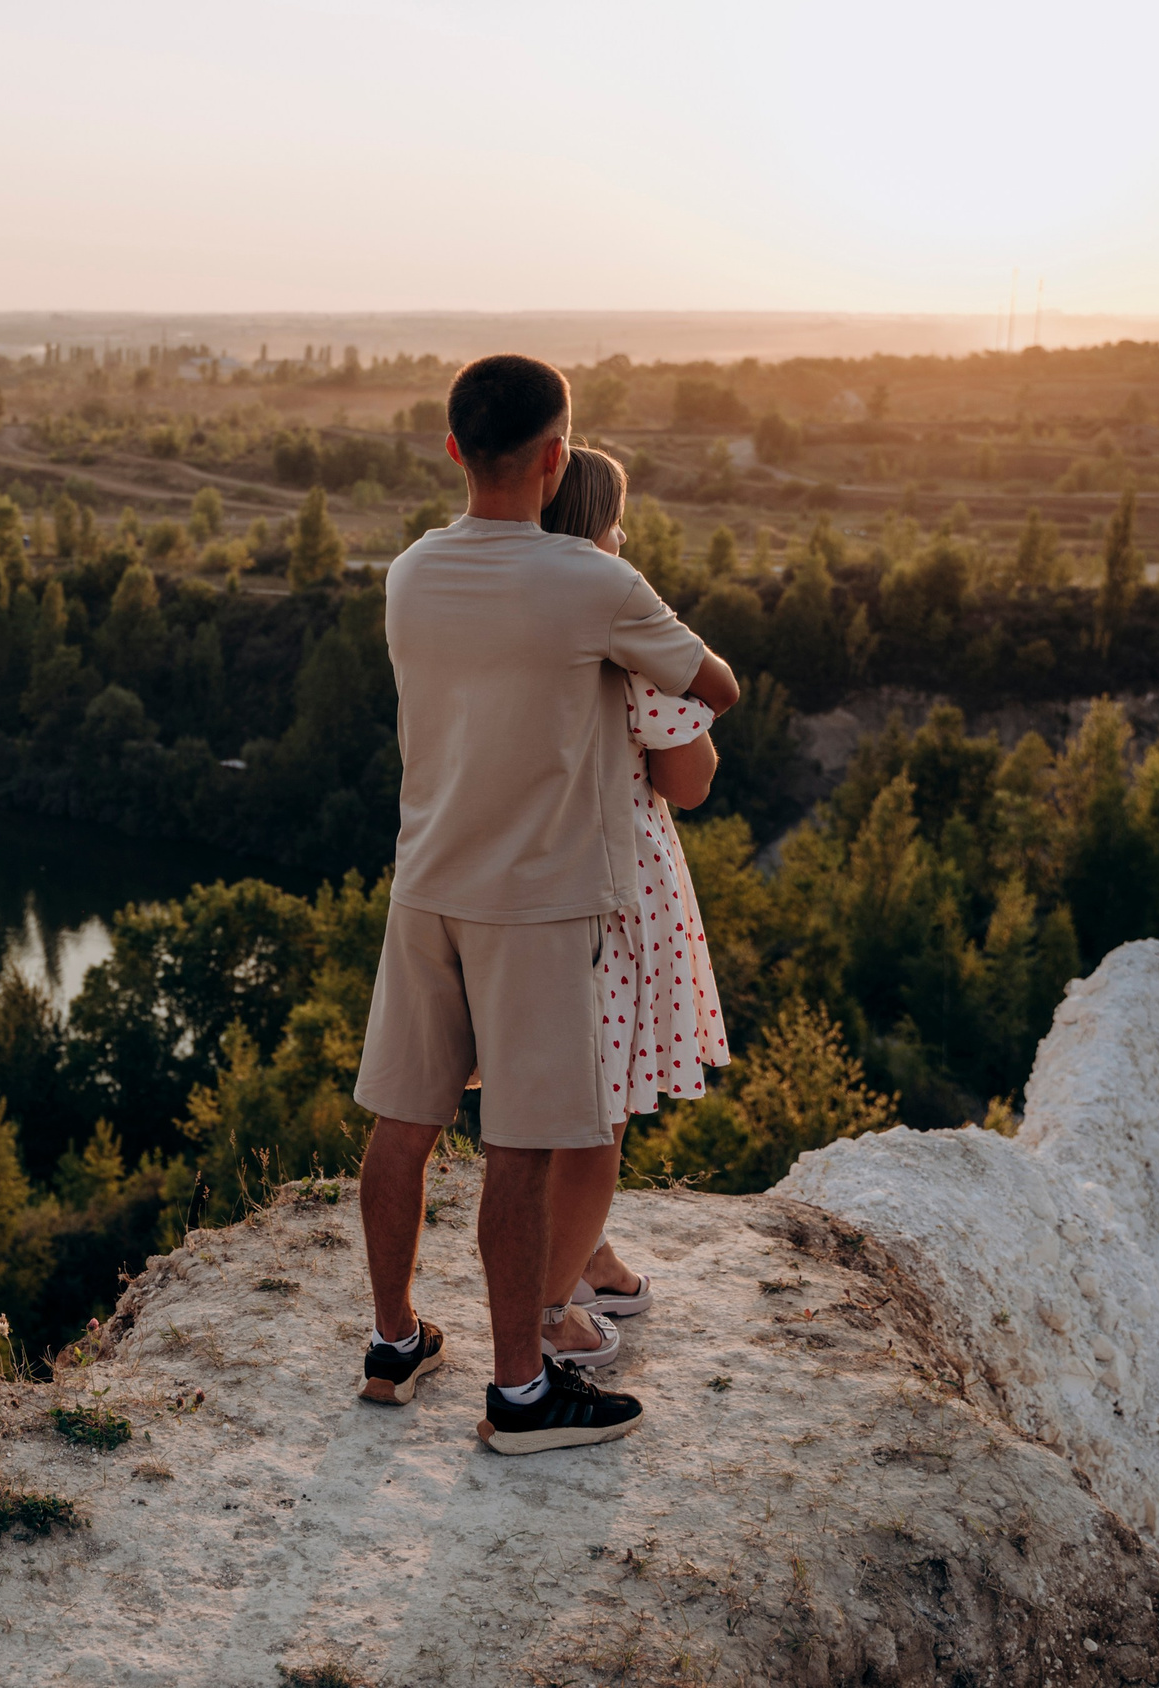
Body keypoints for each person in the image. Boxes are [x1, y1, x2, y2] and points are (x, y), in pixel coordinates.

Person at [352, 354, 738, 1456]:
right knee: (521, 1147)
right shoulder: (591, 582)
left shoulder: (409, 572)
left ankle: (393, 1343)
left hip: (427, 880)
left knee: (403, 1122)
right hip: (536, 900)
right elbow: (716, 688)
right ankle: (522, 1394)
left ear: (453, 448)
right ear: (557, 457)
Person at [531, 447, 733, 1357]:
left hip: (523, 872)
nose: (626, 535)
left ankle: (585, 1254)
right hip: (614, 886)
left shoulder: (509, 617)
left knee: (555, 1089)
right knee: (597, 1110)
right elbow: (690, 781)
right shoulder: (628, 639)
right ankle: (549, 1314)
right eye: (617, 521)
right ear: (594, 533)